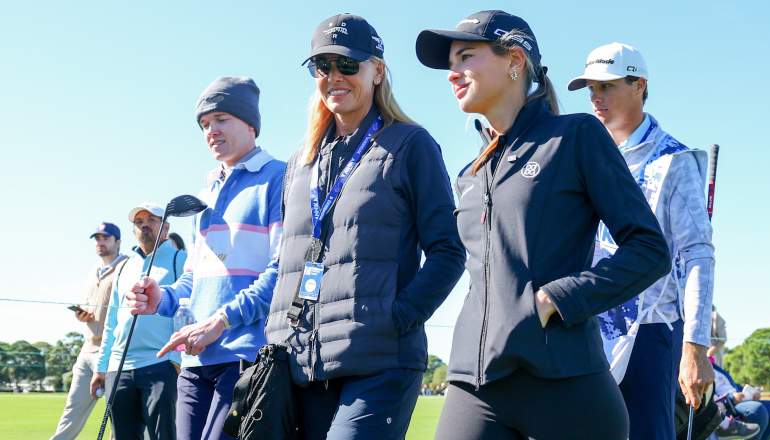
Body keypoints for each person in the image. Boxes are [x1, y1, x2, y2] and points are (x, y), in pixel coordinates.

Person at [416, 10, 671, 439]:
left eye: (465, 56)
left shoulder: (576, 137)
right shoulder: (470, 174)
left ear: (514, 60)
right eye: (451, 63)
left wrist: (558, 296)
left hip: (565, 382)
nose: (452, 73)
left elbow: (649, 250)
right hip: (473, 383)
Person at [261, 13, 465, 439]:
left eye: (348, 65)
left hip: (380, 360)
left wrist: (398, 317)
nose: (335, 76)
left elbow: (449, 250)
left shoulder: (411, 145)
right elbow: (286, 263)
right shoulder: (299, 163)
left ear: (378, 71)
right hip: (300, 364)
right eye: (323, 66)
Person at [568, 42, 716, 439]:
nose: (596, 98)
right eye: (591, 89)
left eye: (608, 86)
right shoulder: (580, 154)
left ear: (639, 85)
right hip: (585, 328)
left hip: (651, 330)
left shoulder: (675, 160)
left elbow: (697, 254)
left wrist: (695, 347)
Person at [126, 76, 285, 440]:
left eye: (222, 119)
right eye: (204, 124)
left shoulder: (279, 178)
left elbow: (280, 273)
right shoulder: (206, 191)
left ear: (250, 123)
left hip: (246, 353)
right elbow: (193, 282)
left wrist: (220, 321)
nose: (211, 130)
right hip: (195, 357)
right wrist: (160, 298)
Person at [91, 203, 185, 440]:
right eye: (139, 222)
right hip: (119, 368)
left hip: (161, 364)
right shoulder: (123, 266)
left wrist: (176, 358)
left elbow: (187, 310)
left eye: (152, 220)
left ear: (166, 228)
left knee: (163, 436)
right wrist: (102, 367)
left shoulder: (180, 259)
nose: (145, 225)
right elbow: (112, 319)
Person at [51, 222, 127, 440]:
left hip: (114, 352)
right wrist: (82, 314)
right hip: (87, 349)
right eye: (97, 238)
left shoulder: (127, 267)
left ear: (118, 242)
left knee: (119, 418)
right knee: (71, 413)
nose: (100, 242)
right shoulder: (93, 271)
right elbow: (92, 307)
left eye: (106, 238)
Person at [713, 363, 770, 440]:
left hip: (740, 401)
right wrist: (731, 398)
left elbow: (732, 386)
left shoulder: (715, 367)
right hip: (726, 407)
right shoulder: (701, 369)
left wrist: (751, 392)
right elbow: (708, 399)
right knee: (757, 409)